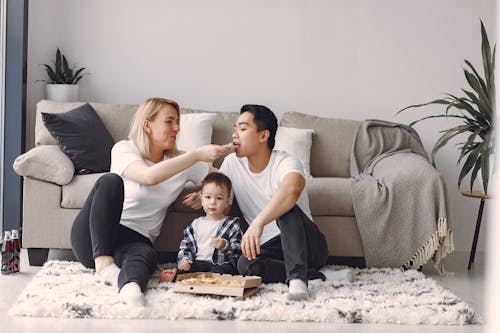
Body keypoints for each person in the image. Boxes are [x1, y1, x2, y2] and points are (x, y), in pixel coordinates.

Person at [70, 97, 230, 306]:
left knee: (144, 255)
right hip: (94, 239)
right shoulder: (124, 149)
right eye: (169, 122)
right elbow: (149, 177)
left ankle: (130, 288)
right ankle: (104, 266)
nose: (176, 128)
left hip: (137, 238)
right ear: (148, 124)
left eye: (178, 123)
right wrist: (196, 154)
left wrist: (205, 193)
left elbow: (225, 181)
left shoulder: (182, 162)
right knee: (110, 181)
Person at [206, 104, 350, 301]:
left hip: (308, 245)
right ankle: (319, 275)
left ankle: (298, 281)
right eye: (234, 128)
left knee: (286, 209)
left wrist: (258, 222)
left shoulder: (286, 162)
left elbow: (292, 190)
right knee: (245, 265)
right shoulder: (232, 163)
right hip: (272, 249)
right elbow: (217, 190)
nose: (234, 135)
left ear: (263, 136)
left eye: (242, 128)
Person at [159, 172, 242, 283]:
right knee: (185, 269)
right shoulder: (195, 225)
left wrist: (225, 245)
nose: (212, 202)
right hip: (199, 263)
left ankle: (208, 280)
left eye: (219, 198)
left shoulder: (232, 224)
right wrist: (184, 259)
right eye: (208, 197)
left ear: (228, 201)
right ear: (201, 199)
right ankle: (175, 276)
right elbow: (186, 247)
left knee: (224, 271)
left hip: (221, 264)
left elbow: (239, 249)